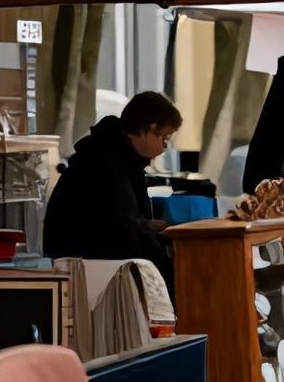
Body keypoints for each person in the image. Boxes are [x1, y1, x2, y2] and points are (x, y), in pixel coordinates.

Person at [43, 91, 183, 282]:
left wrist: (148, 226)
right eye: (164, 138)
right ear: (146, 129)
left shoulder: (112, 153)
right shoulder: (107, 164)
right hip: (89, 268)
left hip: (87, 260)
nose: (164, 147)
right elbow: (122, 234)